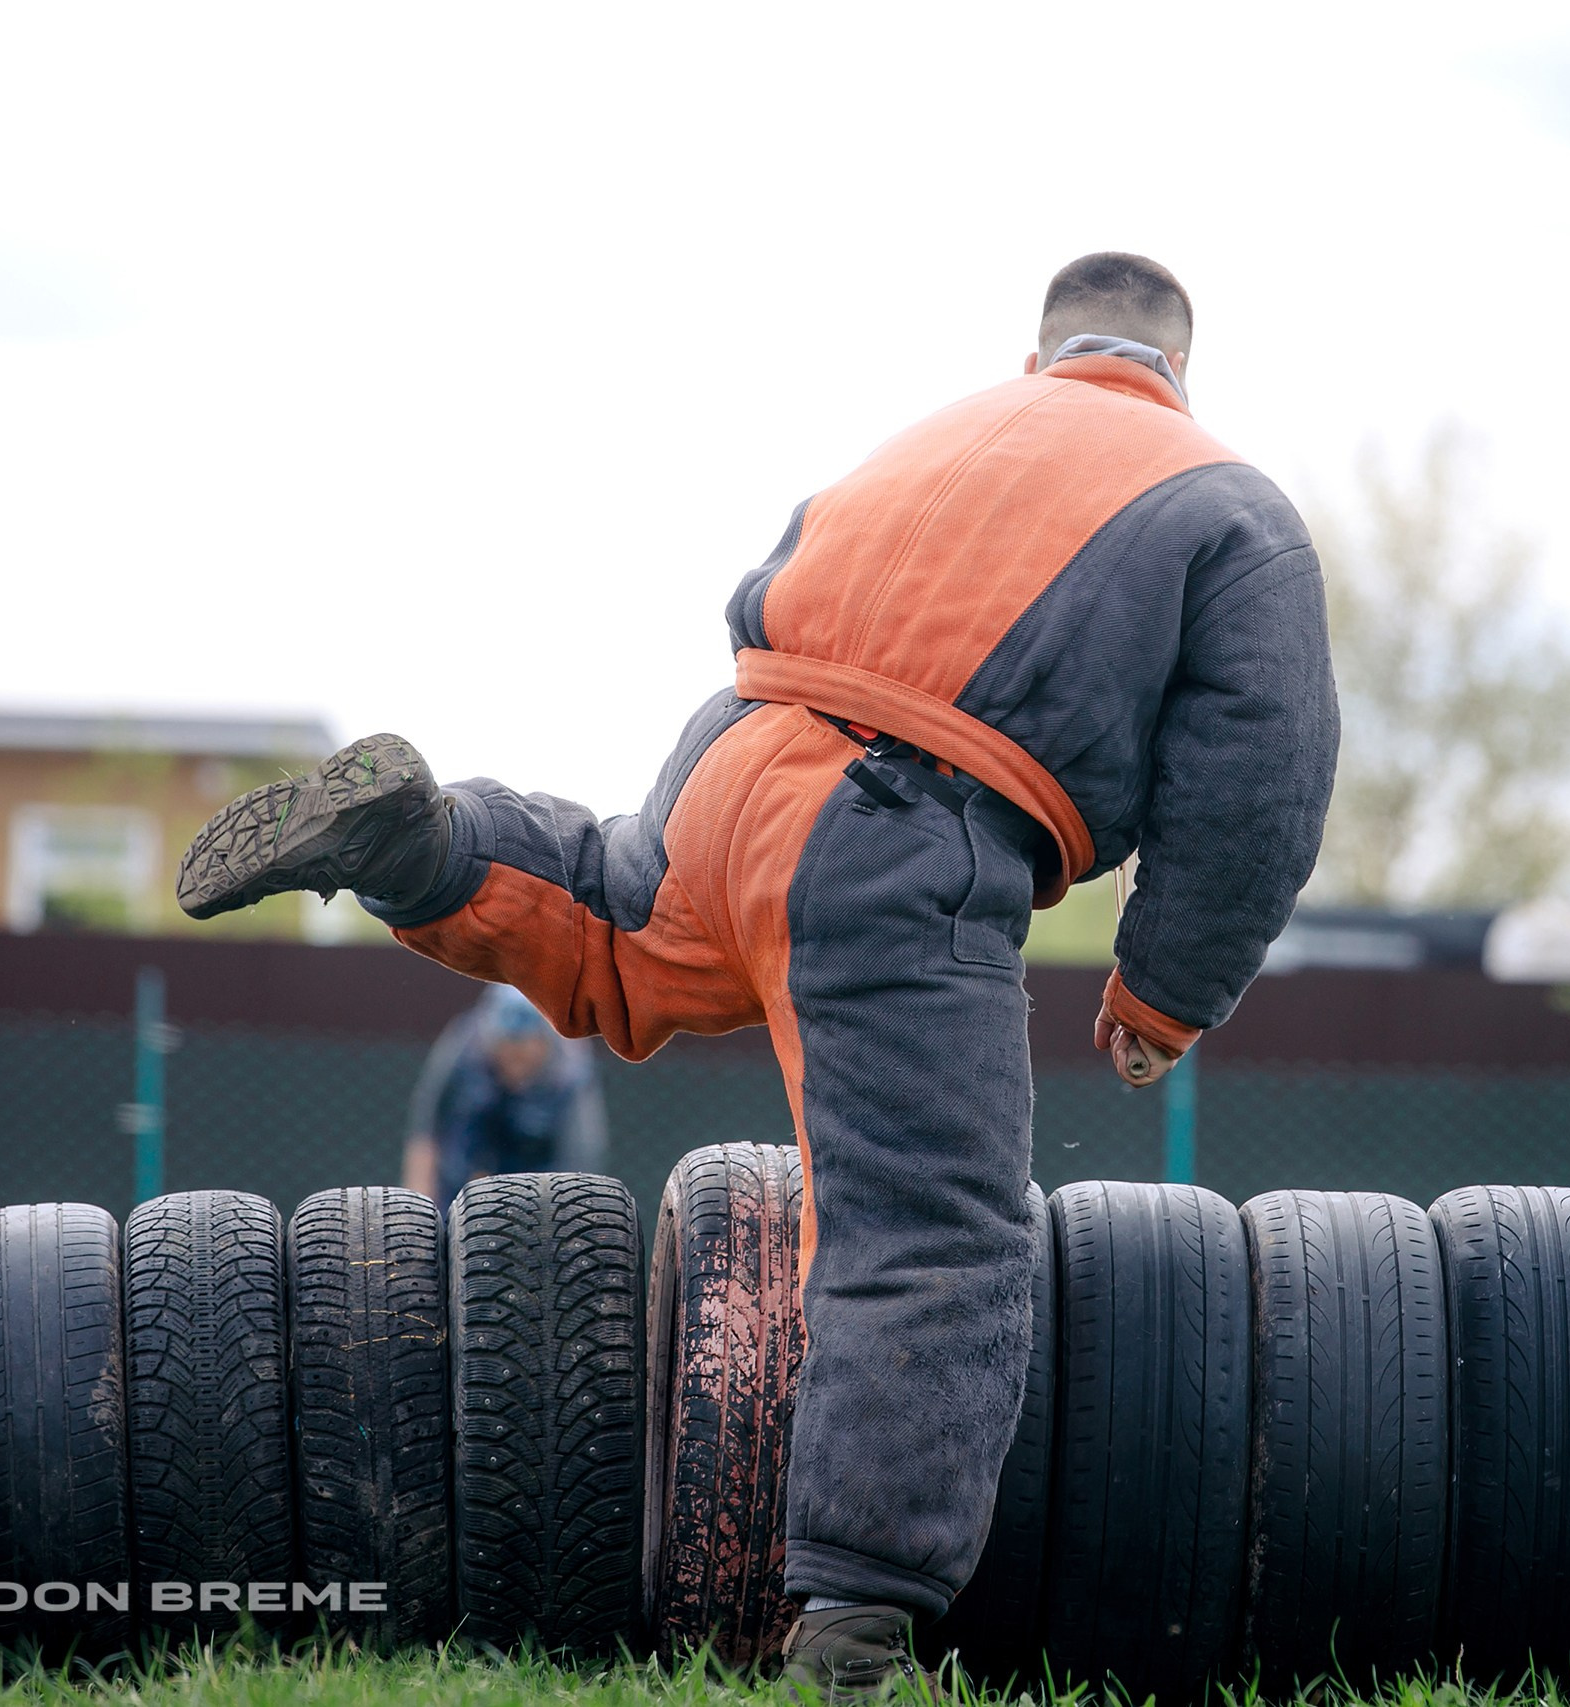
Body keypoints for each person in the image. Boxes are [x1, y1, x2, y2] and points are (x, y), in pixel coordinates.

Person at [173, 252, 1338, 1697]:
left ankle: (422, 843)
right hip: (910, 823)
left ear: (1041, 355)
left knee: (609, 931)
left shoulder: (945, 428)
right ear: (1182, 371)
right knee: (928, 1226)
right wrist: (1169, 990)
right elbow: (1262, 771)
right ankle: (855, 1635)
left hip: (737, 755)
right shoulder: (1229, 502)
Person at [401, 983, 608, 1210]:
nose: (514, 1065)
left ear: (543, 1044)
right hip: (460, 1183)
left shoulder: (570, 1072)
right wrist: (420, 1206)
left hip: (540, 1187)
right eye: (507, 1051)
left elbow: (580, 1159)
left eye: (522, 1055)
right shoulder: (462, 1050)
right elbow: (427, 1129)